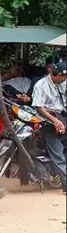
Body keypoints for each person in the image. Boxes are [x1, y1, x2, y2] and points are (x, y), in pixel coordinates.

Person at [31, 61, 67, 193]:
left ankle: (55, 174)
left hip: (63, 117)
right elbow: (39, 107)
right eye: (64, 77)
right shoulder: (41, 85)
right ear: (58, 75)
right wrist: (55, 121)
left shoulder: (63, 82)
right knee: (58, 153)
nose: (65, 79)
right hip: (48, 120)